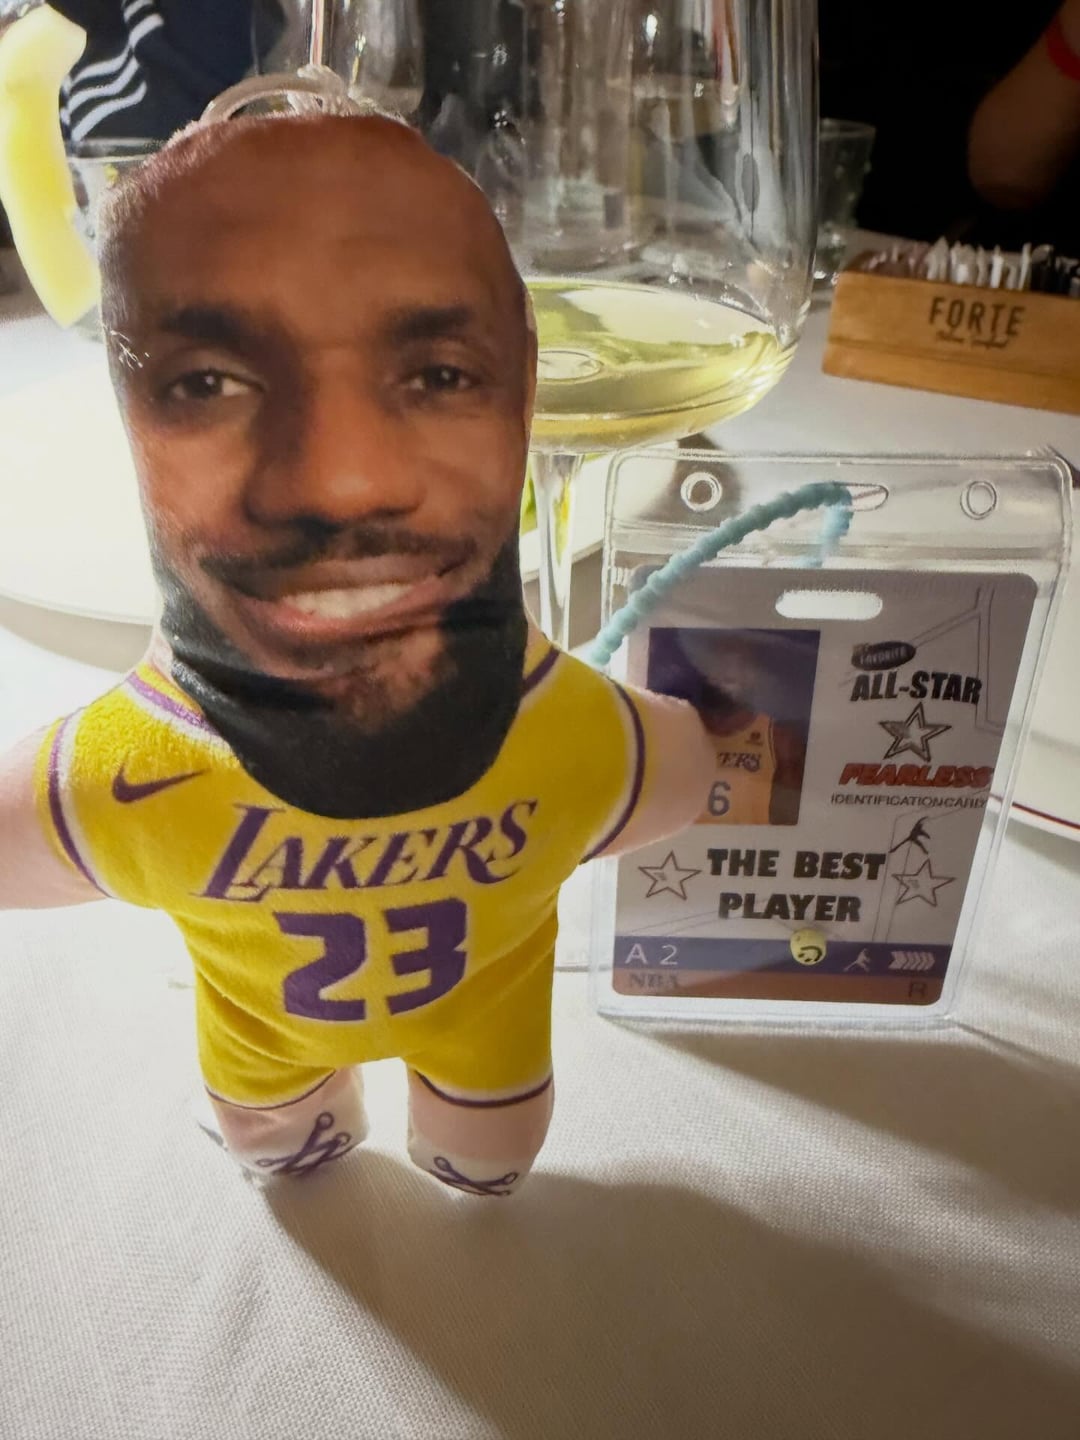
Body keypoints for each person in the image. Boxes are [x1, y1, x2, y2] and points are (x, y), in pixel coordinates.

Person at [0, 106, 711, 1195]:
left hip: (288, 1058)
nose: (339, 483)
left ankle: (342, 1138)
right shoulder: (582, 740)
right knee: (482, 1148)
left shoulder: (130, 774)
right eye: (206, 382)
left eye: (440, 375)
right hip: (459, 1045)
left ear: (527, 385)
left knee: (309, 1147)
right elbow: (686, 771)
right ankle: (457, 1146)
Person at [671, 630, 809, 828]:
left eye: (738, 663)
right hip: (689, 846)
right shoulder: (679, 729)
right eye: (721, 661)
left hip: (749, 846)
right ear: (704, 669)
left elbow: (789, 824)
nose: (729, 671)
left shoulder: (778, 739)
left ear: (754, 674)